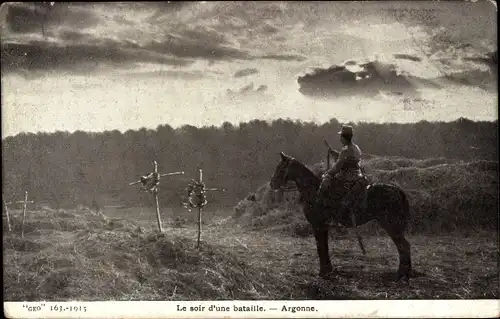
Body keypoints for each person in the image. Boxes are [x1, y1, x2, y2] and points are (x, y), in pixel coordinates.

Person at [318, 125, 364, 212]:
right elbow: (344, 158)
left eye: (341, 136)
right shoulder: (355, 147)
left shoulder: (345, 149)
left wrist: (327, 174)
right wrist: (331, 151)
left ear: (344, 137)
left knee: (325, 181)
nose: (340, 138)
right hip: (358, 175)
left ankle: (326, 211)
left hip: (347, 177)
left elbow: (337, 167)